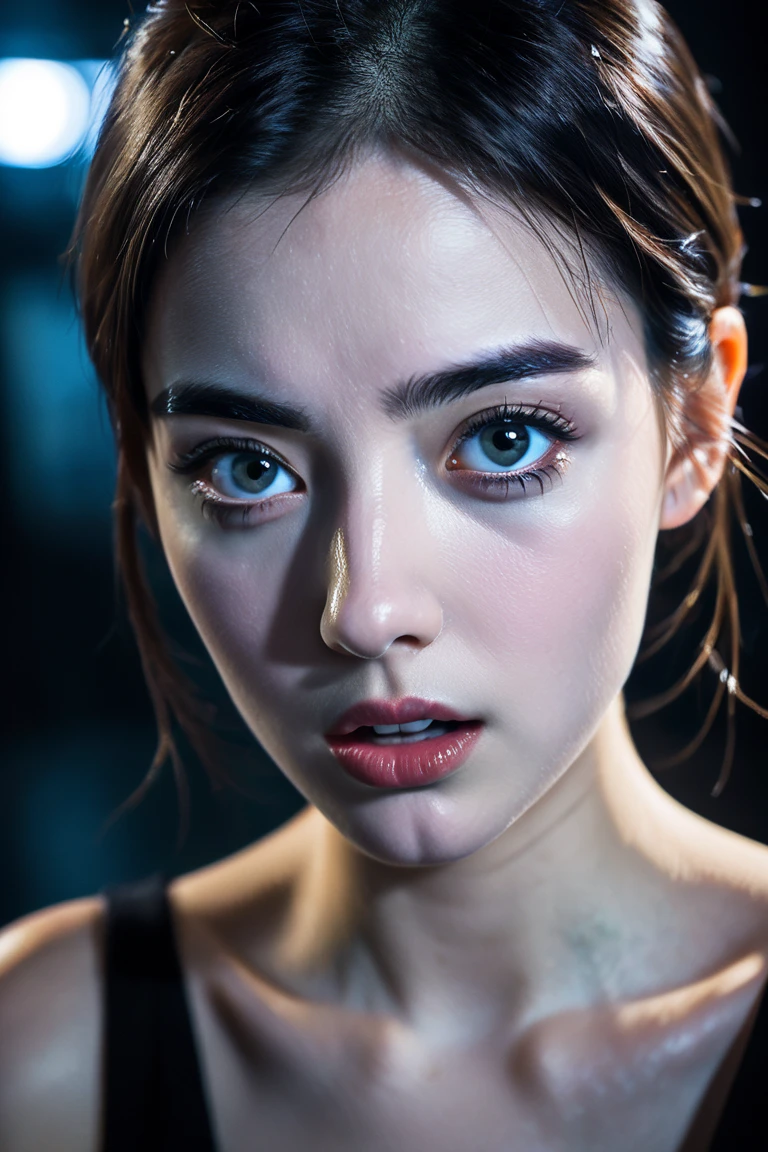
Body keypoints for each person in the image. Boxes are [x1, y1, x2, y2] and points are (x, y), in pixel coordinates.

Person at [1, 0, 767, 1148]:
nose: (364, 610)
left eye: (503, 440)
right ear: (142, 474)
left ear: (698, 421)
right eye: (246, 467)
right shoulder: (36, 1058)